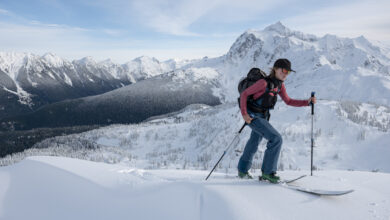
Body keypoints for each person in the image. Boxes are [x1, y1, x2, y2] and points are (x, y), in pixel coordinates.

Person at [237, 58, 316, 183]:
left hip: (262, 116)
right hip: (253, 116)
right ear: (275, 69)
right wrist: (244, 114)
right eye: (284, 70)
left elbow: (288, 101)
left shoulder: (279, 85)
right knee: (276, 138)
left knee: (254, 141)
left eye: (288, 72)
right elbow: (244, 94)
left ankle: (242, 170)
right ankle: (268, 172)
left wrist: (307, 102)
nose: (285, 74)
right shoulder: (263, 83)